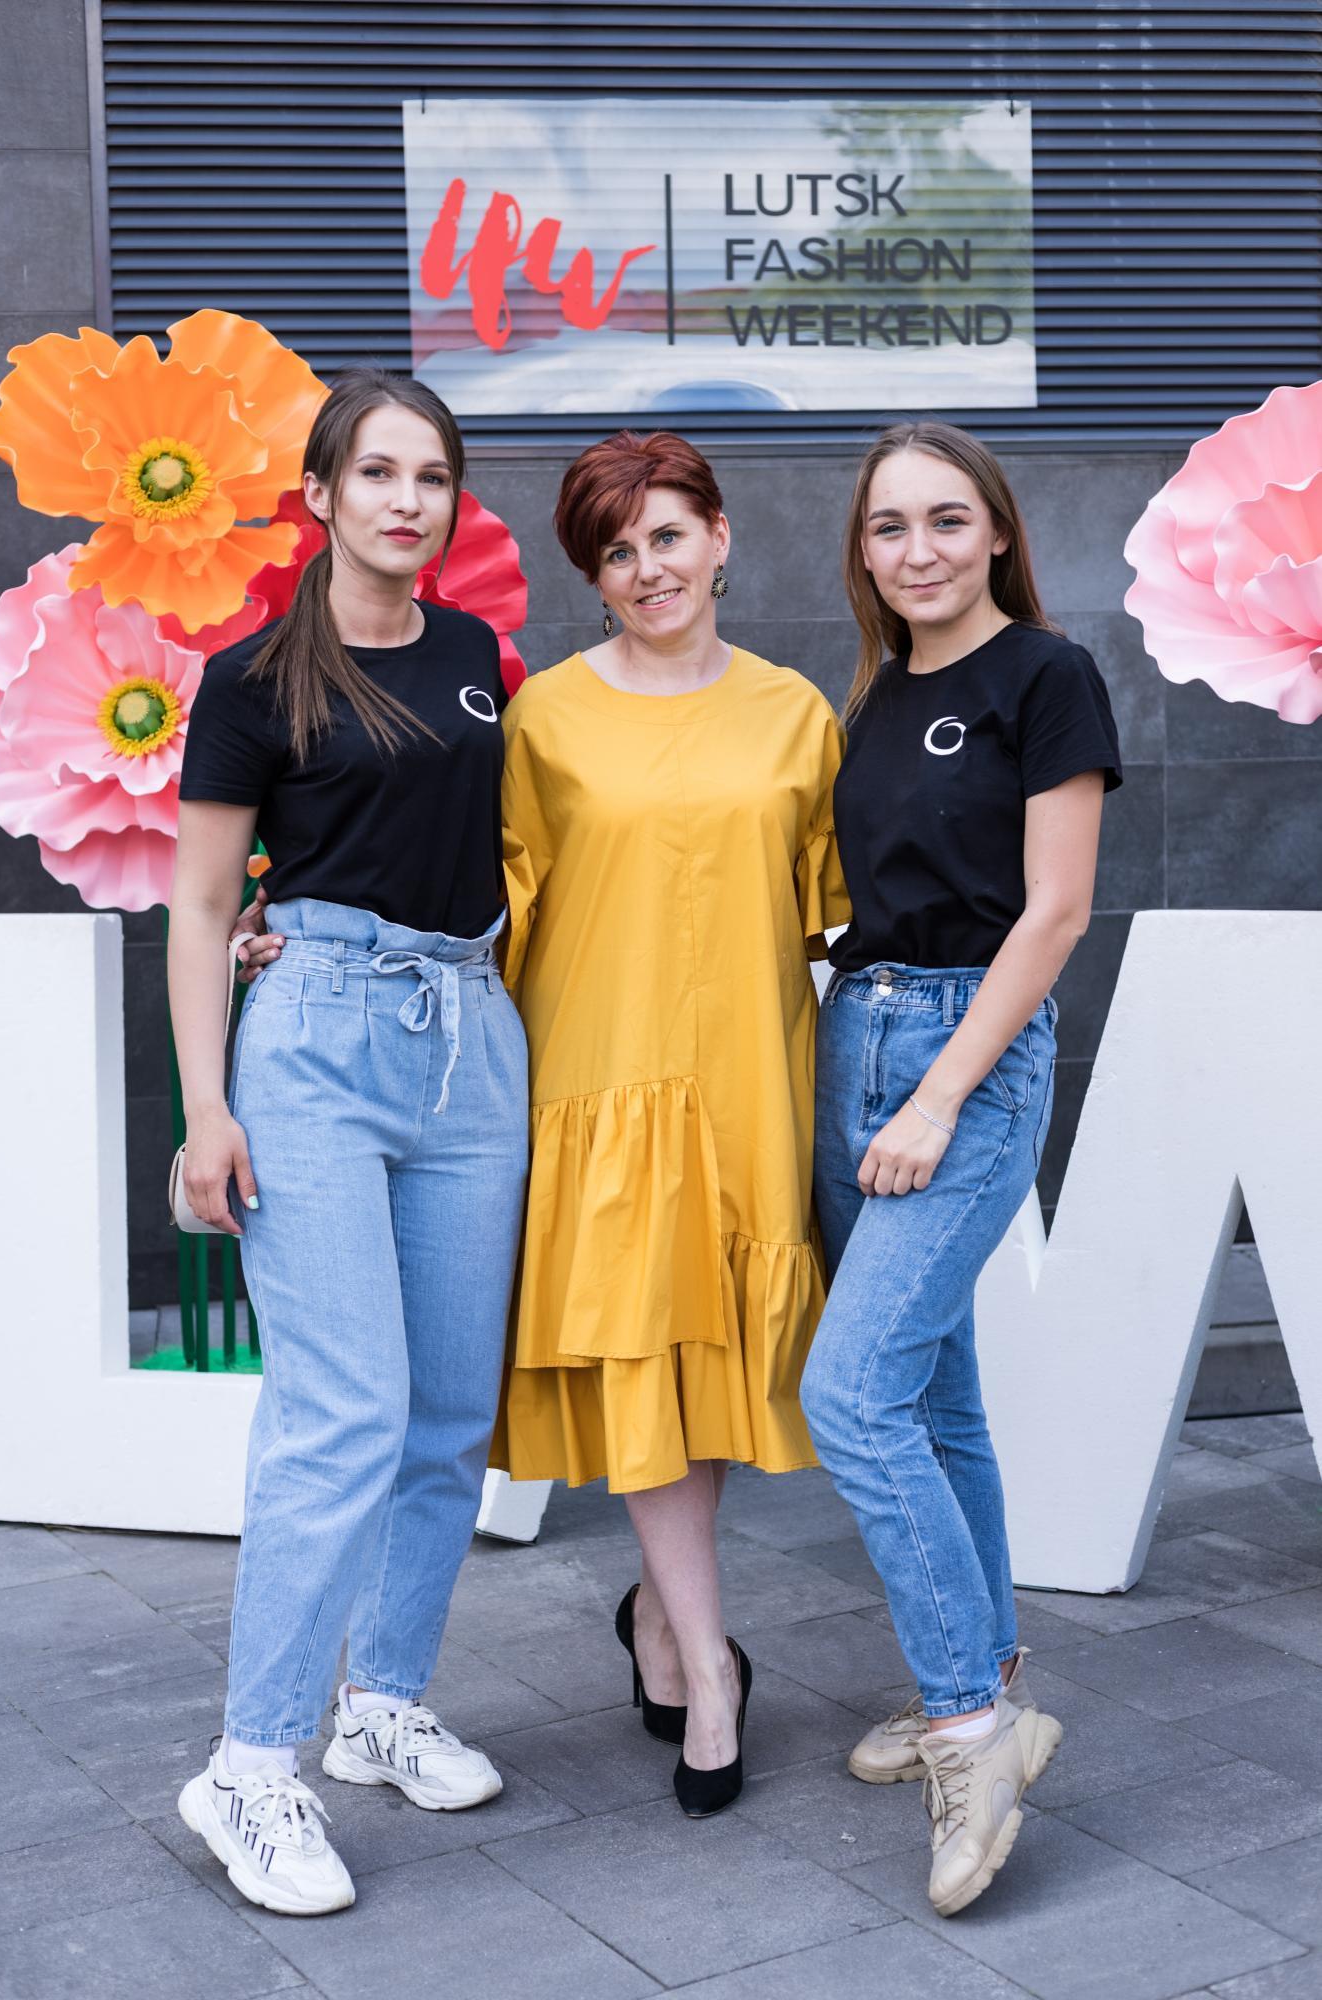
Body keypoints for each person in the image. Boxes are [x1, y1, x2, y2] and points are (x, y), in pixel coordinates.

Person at [168, 370, 528, 1916]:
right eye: (376, 473)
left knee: (446, 1412)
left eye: (431, 476)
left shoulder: (471, 655)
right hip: (315, 1041)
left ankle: (380, 1705)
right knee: (342, 1412)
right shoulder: (253, 681)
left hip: (470, 1038)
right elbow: (202, 903)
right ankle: (251, 1764)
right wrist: (206, 1109)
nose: (406, 501)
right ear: (318, 496)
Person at [491, 431, 850, 1816]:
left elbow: (842, 908)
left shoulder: (796, 714)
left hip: (751, 1074)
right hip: (598, 1075)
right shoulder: (543, 720)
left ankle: (657, 1611)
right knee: (646, 1351)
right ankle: (707, 1664)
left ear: (719, 537)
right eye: (615, 551)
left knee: (705, 1360)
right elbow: (482, 904)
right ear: (592, 577)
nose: (647, 569)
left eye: (666, 536)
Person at [800, 421, 1121, 1917]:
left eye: (945, 519)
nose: (917, 549)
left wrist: (936, 1097)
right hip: (854, 1036)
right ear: (862, 554)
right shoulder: (875, 695)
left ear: (996, 530)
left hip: (961, 1059)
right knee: (933, 1397)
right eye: (888, 527)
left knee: (851, 1394)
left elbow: (1053, 913)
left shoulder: (1045, 677)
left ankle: (969, 1731)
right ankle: (987, 1676)